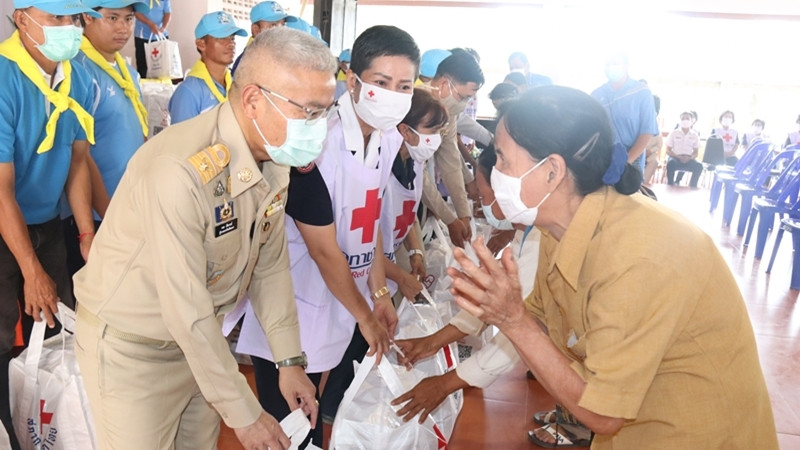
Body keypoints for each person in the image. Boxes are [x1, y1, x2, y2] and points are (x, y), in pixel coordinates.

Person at [446, 86, 777, 448]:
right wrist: (496, 306)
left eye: (503, 159)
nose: (496, 172)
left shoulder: (639, 257)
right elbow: (539, 314)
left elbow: (602, 413)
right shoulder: (560, 226)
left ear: (552, 171)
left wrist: (511, 319)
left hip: (693, 433)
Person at [73, 27, 336, 450]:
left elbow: (268, 266)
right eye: (309, 111)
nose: (318, 126)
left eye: (326, 111)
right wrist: (246, 415)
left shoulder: (272, 157)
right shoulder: (180, 171)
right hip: (134, 352)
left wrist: (289, 360)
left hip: (201, 345)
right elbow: (185, 306)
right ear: (253, 99)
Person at [230, 25, 419, 446]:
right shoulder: (317, 138)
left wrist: (380, 293)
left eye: (403, 86)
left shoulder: (387, 139)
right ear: (351, 80)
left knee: (311, 421)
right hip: (293, 300)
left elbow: (366, 221)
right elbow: (322, 249)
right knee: (289, 428)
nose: (392, 94)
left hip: (342, 299)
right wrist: (366, 315)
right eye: (380, 83)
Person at [0, 1, 99, 447]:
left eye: (73, 19)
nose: (70, 29)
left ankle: (48, 432)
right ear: (23, 19)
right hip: (7, 230)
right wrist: (29, 268)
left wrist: (86, 234)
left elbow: (78, 160)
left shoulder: (72, 72)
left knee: (55, 330)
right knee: (7, 341)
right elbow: (0, 190)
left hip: (47, 223)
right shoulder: (4, 78)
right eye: (57, 18)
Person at [63, 0, 149, 278]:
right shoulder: (80, 70)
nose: (123, 28)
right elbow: (80, 155)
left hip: (128, 208)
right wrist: (108, 214)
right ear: (87, 19)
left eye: (128, 19)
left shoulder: (126, 71)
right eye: (112, 18)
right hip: (98, 215)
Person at [381, 89, 448, 300]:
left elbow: (406, 212)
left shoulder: (415, 162)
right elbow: (360, 243)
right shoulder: (378, 168)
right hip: (368, 266)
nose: (436, 138)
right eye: (432, 130)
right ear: (405, 131)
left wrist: (415, 252)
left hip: (389, 256)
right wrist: (400, 277)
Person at [422, 51, 485, 248]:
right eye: (463, 97)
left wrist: (463, 214)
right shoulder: (416, 109)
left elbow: (450, 163)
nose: (464, 104)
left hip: (418, 194)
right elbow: (417, 174)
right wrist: (450, 219)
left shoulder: (446, 113)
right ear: (443, 85)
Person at [168, 11, 247, 124]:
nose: (231, 43)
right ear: (201, 44)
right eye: (222, 37)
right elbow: (182, 140)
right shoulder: (189, 92)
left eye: (232, 38)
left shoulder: (235, 84)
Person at [591, 52, 658, 174]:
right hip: (604, 159)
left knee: (629, 192)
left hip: (633, 159)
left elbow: (647, 131)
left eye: (615, 63)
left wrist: (625, 162)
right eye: (608, 64)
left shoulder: (641, 92)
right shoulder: (596, 95)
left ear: (626, 66)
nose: (611, 67)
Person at [231, 1, 295, 74]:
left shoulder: (276, 55)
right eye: (273, 25)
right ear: (256, 30)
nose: (281, 30)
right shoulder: (247, 62)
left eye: (283, 24)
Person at [133, 0, 170, 78]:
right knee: (143, 68)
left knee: (162, 67)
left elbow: (167, 12)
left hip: (160, 36)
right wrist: (150, 24)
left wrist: (163, 28)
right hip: (142, 36)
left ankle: (162, 89)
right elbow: (137, 13)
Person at [665, 112, 702, 187]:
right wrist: (678, 157)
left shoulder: (695, 135)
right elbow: (668, 150)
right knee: (670, 164)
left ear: (692, 121)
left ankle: (693, 186)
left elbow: (696, 152)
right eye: (683, 119)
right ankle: (670, 185)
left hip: (689, 158)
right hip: (676, 157)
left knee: (699, 166)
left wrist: (690, 158)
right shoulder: (674, 133)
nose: (685, 120)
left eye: (687, 119)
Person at [642, 95, 662, 184]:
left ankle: (643, 184)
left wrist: (650, 151)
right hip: (636, 152)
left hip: (650, 154)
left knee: (654, 161)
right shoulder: (636, 120)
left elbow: (659, 144)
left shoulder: (656, 126)